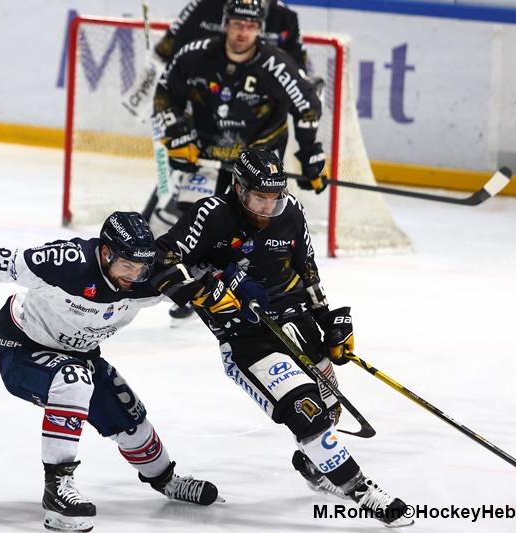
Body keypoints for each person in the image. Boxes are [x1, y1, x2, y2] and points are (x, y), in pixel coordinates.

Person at [0, 212, 220, 533]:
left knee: (130, 416)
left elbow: (203, 271)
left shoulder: (149, 279)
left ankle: (166, 480)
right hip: (22, 350)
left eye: (141, 268)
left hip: (82, 357)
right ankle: (57, 490)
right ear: (106, 252)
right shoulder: (67, 261)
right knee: (73, 381)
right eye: (127, 266)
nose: (134, 276)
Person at [149, 150, 413, 527]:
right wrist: (203, 292)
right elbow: (161, 259)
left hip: (296, 321)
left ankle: (315, 467)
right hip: (246, 336)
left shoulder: (291, 212)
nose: (268, 207)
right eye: (260, 198)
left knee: (330, 408)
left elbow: (307, 270)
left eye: (275, 198)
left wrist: (328, 320)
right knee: (306, 411)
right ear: (238, 188)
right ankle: (360, 490)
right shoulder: (212, 214)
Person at [152, 0, 328, 323]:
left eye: (250, 26)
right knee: (195, 215)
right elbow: (165, 92)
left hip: (257, 157)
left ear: (260, 29)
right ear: (225, 24)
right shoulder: (196, 54)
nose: (243, 32)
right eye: (237, 24)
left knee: (254, 224)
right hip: (210, 151)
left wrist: (310, 155)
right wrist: (178, 135)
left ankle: (254, 285)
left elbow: (307, 106)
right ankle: (196, 285)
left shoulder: (276, 64)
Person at [155, 0, 307, 71]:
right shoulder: (203, 6)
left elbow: (299, 69)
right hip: (201, 99)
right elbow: (163, 55)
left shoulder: (285, 17)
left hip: (259, 109)